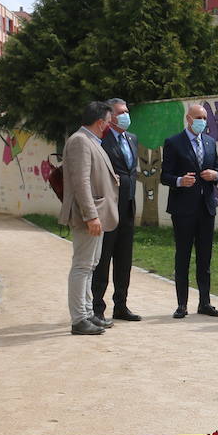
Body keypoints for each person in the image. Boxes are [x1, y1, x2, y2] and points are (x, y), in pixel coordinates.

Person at [58, 101, 120, 336]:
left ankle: (87, 313)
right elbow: (81, 181)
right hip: (89, 215)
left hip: (98, 213)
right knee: (82, 266)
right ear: (100, 122)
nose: (109, 125)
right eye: (108, 121)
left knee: (90, 265)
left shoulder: (91, 141)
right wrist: (91, 215)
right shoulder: (80, 141)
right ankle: (79, 319)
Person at [161, 103, 218, 318]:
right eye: (198, 117)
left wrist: (215, 175)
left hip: (206, 208)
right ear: (188, 119)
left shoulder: (210, 142)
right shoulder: (173, 142)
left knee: (204, 258)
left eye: (205, 118)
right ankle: (182, 304)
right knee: (183, 257)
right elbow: (164, 176)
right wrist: (180, 181)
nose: (202, 121)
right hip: (183, 209)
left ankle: (205, 303)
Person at [91, 98, 141, 322]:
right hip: (108, 209)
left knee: (124, 260)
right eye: (121, 112)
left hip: (127, 207)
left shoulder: (132, 138)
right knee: (103, 260)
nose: (125, 116)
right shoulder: (101, 140)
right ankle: (97, 308)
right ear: (110, 116)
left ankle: (121, 305)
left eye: (126, 111)